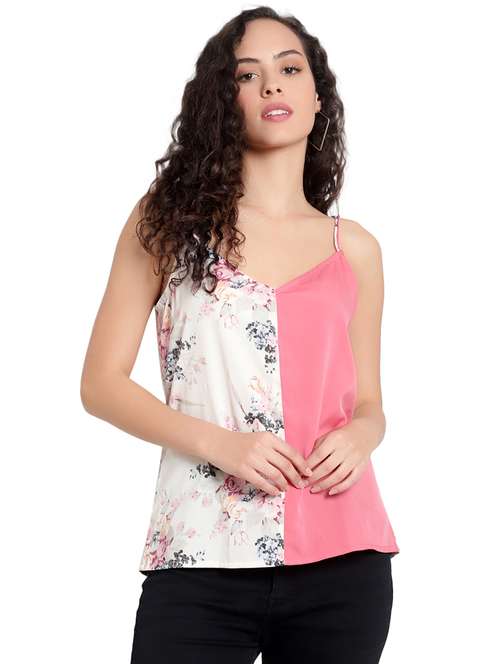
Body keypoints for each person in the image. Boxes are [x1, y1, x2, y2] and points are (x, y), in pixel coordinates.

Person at [80, 6, 400, 663]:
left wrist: (363, 434)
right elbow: (100, 384)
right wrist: (221, 444)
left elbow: (369, 402)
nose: (272, 84)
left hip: (344, 559)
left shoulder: (355, 249)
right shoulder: (167, 222)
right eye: (247, 74)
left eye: (290, 69)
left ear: (318, 96)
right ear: (224, 102)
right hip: (201, 552)